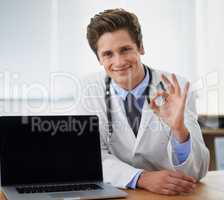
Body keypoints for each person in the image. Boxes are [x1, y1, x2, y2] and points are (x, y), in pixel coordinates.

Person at [76, 8, 209, 195]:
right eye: (108, 54)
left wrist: (179, 129)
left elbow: (196, 171)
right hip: (118, 193)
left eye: (125, 49)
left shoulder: (175, 86)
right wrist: (141, 177)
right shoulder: (87, 90)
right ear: (98, 58)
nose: (119, 61)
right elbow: (90, 158)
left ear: (141, 47)